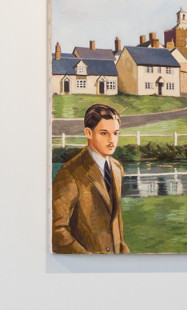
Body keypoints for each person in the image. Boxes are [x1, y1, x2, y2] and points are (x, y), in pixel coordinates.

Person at [51, 103, 129, 254]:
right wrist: (88, 259)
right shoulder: (70, 173)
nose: (112, 140)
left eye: (115, 133)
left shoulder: (117, 168)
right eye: (104, 133)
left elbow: (116, 223)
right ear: (88, 133)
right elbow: (57, 230)